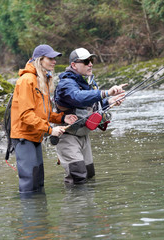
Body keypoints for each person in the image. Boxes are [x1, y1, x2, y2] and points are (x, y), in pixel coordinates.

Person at [10, 44, 77, 193]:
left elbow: (43, 113)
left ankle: (40, 215)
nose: (54, 61)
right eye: (50, 58)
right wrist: (50, 129)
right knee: (29, 181)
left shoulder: (43, 79)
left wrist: (62, 118)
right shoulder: (27, 80)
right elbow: (26, 115)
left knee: (38, 181)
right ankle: (30, 213)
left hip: (35, 134)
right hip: (23, 136)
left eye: (55, 58)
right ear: (40, 60)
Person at [54, 47, 127, 184]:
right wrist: (105, 93)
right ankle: (75, 204)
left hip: (83, 135)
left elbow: (93, 105)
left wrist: (109, 101)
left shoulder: (89, 82)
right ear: (74, 65)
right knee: (78, 177)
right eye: (86, 61)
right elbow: (78, 98)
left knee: (89, 174)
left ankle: (87, 205)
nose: (90, 64)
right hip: (67, 137)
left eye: (91, 60)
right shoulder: (66, 84)